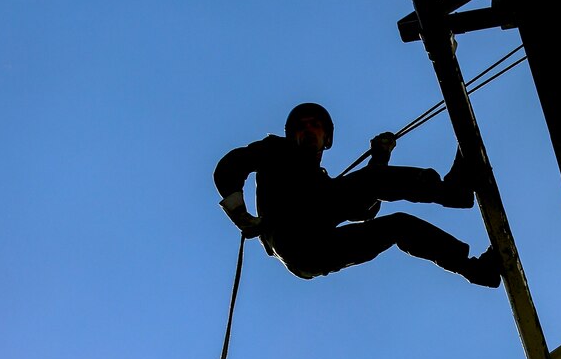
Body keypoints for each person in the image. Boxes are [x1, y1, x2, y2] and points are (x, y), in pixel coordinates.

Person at [214, 102, 502, 287]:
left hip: (315, 248)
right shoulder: (276, 151)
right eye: (301, 127)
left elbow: (364, 209)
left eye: (315, 125)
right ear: (291, 135)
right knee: (368, 183)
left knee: (399, 225)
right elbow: (229, 168)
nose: (308, 130)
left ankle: (474, 270)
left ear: (327, 139)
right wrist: (241, 215)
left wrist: (380, 156)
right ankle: (454, 191)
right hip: (294, 237)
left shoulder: (321, 184)